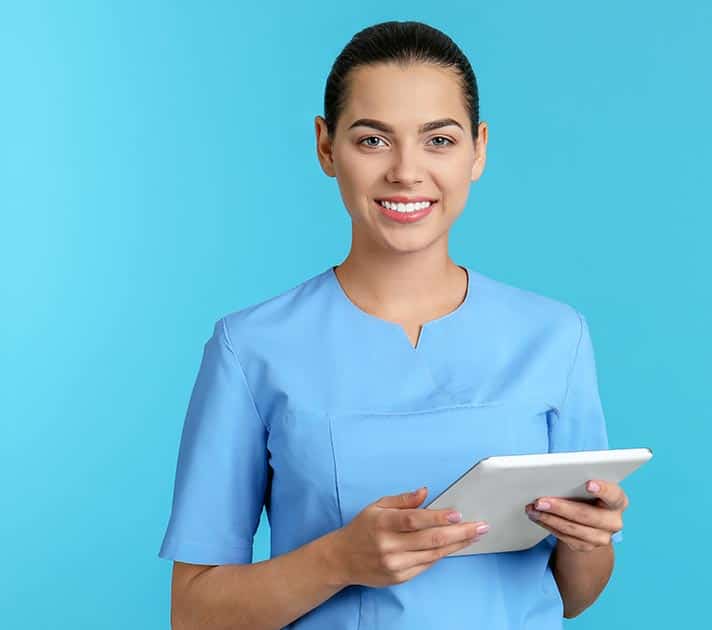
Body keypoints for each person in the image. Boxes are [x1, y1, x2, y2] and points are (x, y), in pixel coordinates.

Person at [157, 20, 629, 629]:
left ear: (478, 149)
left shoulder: (555, 337)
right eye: (373, 140)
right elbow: (194, 614)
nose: (407, 172)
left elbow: (571, 596)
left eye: (439, 140)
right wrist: (339, 560)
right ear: (326, 147)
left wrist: (587, 541)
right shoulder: (251, 350)